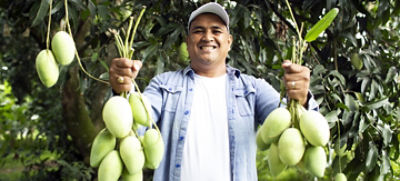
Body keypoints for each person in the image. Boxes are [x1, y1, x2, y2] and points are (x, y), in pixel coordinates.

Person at [109, 2, 318, 181]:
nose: (207, 36)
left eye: (216, 30)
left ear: (229, 42)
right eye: (198, 31)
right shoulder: (163, 86)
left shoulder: (253, 89)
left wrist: (301, 98)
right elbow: (134, 128)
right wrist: (122, 91)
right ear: (188, 42)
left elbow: (292, 125)